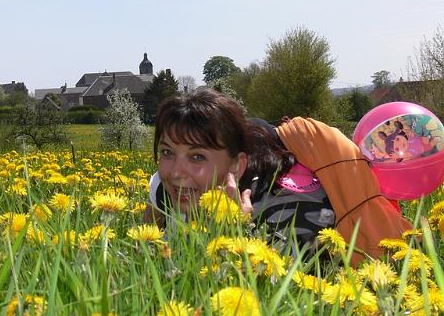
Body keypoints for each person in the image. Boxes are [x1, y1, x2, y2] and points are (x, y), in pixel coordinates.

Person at [144, 89, 410, 262]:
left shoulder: (284, 216)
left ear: (236, 166)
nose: (175, 172)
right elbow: (146, 233)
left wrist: (238, 231)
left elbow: (278, 293)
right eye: (167, 152)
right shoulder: (164, 186)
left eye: (197, 156)